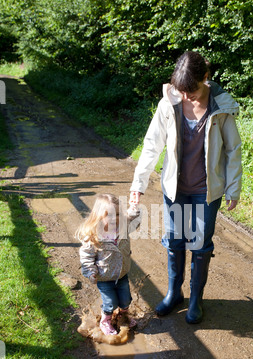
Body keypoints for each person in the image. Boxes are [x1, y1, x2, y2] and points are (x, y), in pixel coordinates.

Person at [129, 51, 242, 324]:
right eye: (182, 91)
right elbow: (152, 145)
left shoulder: (222, 108)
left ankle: (195, 300)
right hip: (175, 190)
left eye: (191, 92)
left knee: (200, 244)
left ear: (206, 78)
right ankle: (173, 293)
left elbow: (233, 150)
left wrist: (233, 187)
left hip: (206, 192)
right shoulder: (169, 104)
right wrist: (138, 184)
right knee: (175, 240)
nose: (186, 97)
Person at [76, 193, 139, 335]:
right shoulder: (93, 236)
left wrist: (134, 207)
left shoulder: (123, 227)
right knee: (110, 303)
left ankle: (123, 316)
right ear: (98, 216)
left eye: (116, 214)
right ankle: (106, 320)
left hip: (122, 273)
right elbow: (86, 256)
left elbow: (135, 221)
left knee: (125, 300)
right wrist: (91, 271)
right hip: (104, 277)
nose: (113, 219)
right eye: (108, 215)